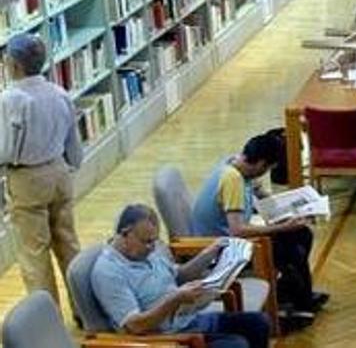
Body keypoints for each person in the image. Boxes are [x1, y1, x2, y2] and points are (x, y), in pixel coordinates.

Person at [190, 134, 325, 328]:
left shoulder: (235, 164)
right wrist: (282, 226)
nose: (264, 173)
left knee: (301, 234)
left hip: (229, 239)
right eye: (267, 169)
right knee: (290, 248)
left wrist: (285, 211)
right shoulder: (233, 180)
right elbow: (237, 230)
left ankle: (297, 294)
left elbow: (260, 199)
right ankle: (294, 302)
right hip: (224, 250)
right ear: (261, 163)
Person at [91, 204, 271, 348]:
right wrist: (175, 299)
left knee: (258, 323)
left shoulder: (148, 252)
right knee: (236, 345)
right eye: (146, 242)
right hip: (168, 339)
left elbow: (178, 275)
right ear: (125, 234)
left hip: (189, 321)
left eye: (154, 240)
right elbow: (135, 326)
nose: (152, 247)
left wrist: (208, 254)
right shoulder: (108, 272)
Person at [0, 33, 81, 302]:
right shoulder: (59, 93)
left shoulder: (11, 99)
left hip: (28, 177)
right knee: (68, 242)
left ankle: (49, 317)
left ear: (14, 65)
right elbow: (73, 142)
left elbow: (6, 148)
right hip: (59, 172)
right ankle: (83, 308)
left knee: (34, 254)